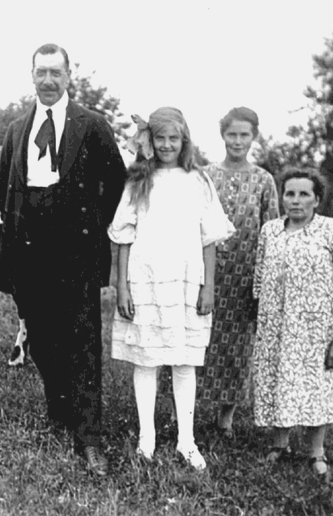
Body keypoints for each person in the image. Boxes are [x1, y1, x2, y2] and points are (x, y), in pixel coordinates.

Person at [0, 43, 127, 477]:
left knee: (81, 342)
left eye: (56, 72)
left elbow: (117, 180)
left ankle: (89, 438)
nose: (48, 81)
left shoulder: (92, 125)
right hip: (29, 245)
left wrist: (92, 224)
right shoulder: (17, 129)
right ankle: (60, 409)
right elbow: (5, 186)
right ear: (31, 76)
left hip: (76, 246)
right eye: (41, 72)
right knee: (41, 337)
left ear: (69, 76)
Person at [110, 107, 234, 470]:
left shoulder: (198, 180)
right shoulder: (138, 181)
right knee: (146, 359)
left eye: (173, 138)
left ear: (184, 141)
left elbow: (209, 237)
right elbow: (123, 237)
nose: (166, 145)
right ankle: (146, 438)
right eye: (160, 138)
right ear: (149, 141)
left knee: (184, 360)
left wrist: (208, 287)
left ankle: (186, 441)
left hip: (186, 282)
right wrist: (122, 287)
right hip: (144, 280)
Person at [253, 168, 333, 482]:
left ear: (317, 199)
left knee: (316, 389)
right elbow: (259, 281)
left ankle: (316, 451)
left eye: (304, 194)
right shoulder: (270, 231)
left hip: (317, 331)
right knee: (277, 381)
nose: (295, 200)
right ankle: (279, 444)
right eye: (290, 193)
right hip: (276, 327)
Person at [197, 107, 280, 438]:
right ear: (222, 135)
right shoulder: (205, 175)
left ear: (253, 137)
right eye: (232, 134)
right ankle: (183, 413)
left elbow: (272, 231)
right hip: (206, 272)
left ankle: (225, 418)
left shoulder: (263, 180)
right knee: (197, 340)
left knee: (237, 347)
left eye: (244, 135)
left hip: (245, 277)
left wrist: (267, 280)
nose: (237, 141)